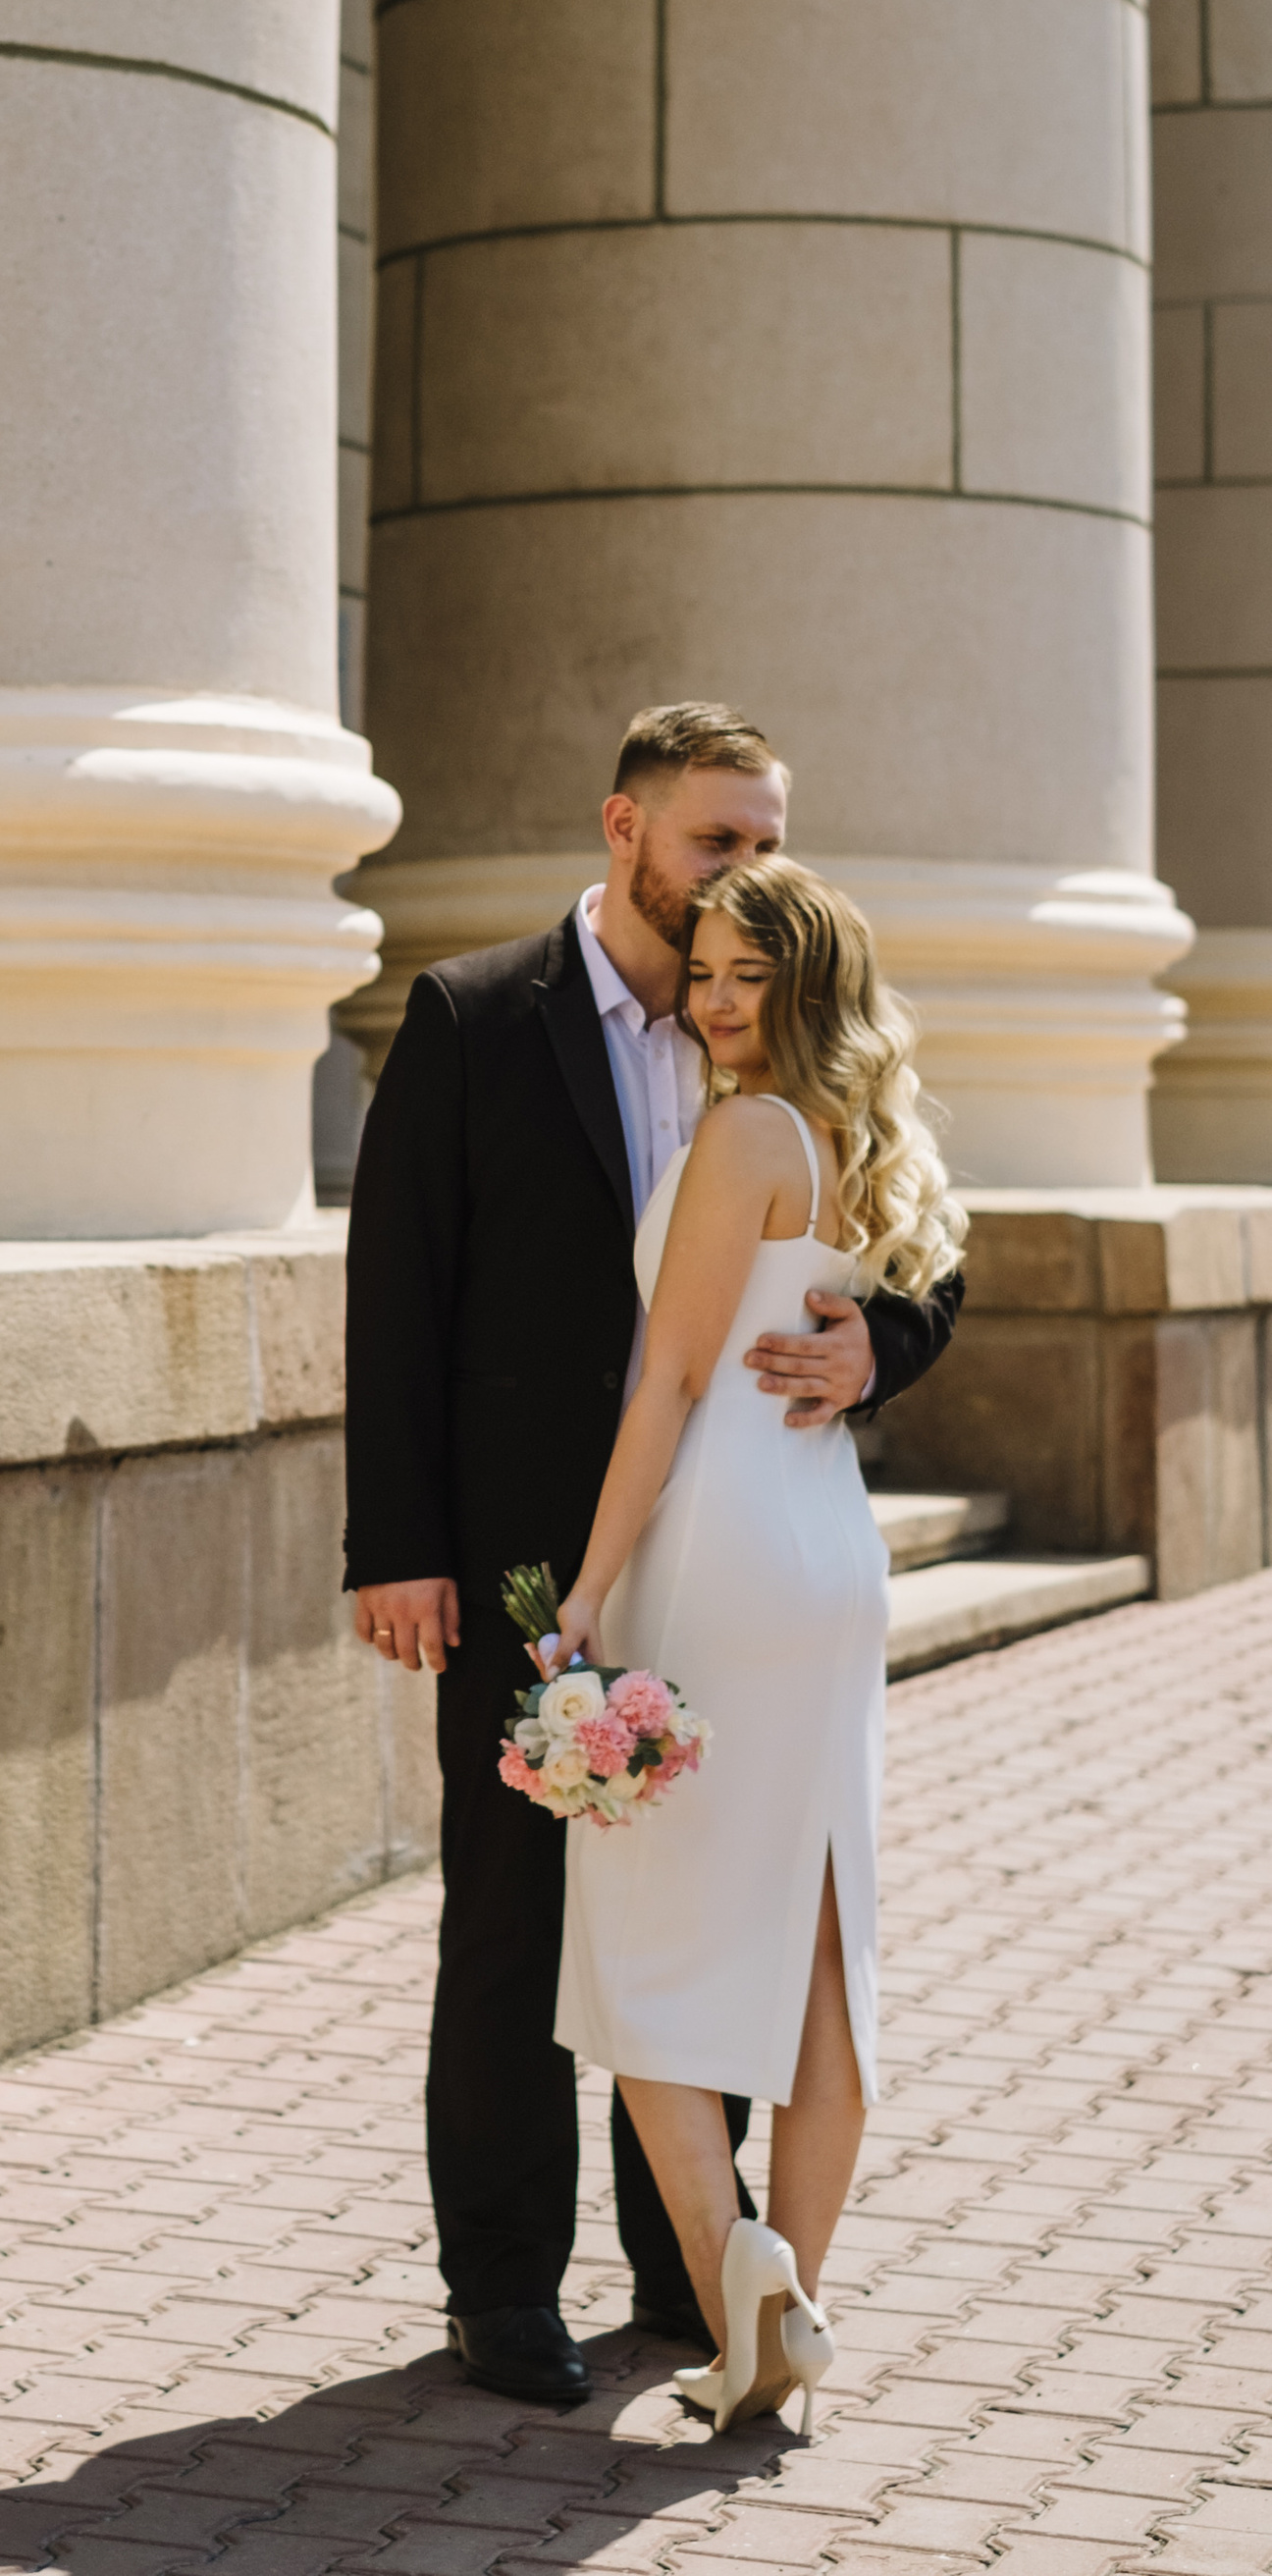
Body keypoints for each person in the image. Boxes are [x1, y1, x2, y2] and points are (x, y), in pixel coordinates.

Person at [344, 704, 962, 2411]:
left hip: (721, 1539)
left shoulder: (778, 1022)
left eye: (767, 840)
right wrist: (396, 1545)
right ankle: (503, 2289)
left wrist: (870, 1356)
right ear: (624, 829)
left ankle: (690, 2275)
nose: (745, 877)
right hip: (533, 1556)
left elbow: (915, 1268)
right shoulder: (474, 1018)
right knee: (518, 1909)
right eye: (718, 842)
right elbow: (395, 1297)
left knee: (703, 1893)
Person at [542, 855, 964, 2431]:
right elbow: (903, 1302)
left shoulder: (743, 1133)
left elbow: (668, 1386)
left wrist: (585, 1597)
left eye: (743, 978)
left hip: (719, 1553)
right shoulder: (872, 1136)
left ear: (803, 987)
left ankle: (738, 2274)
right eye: (701, 972)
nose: (713, 1002)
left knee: (641, 1934)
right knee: (821, 1948)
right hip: (827, 1550)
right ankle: (788, 2320)